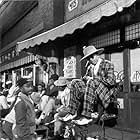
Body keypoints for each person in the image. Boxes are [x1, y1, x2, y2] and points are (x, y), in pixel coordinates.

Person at [75, 45, 116, 125]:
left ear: (97, 55)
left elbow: (111, 81)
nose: (90, 60)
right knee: (75, 84)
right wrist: (85, 78)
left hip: (106, 92)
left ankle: (86, 115)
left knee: (91, 82)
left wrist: (95, 79)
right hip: (93, 92)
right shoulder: (90, 67)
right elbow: (85, 80)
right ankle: (72, 112)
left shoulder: (107, 64)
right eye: (88, 58)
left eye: (91, 57)